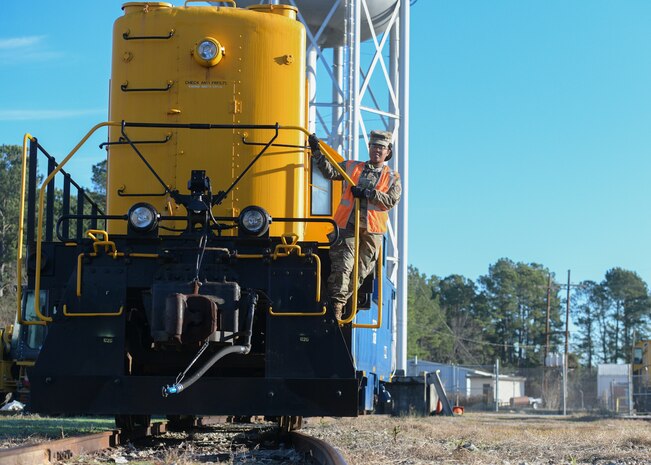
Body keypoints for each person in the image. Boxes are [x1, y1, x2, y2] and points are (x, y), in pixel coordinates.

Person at [309, 130, 402, 320]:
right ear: (369, 148)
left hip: (372, 231)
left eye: (381, 147)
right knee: (343, 266)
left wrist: (368, 193)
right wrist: (317, 151)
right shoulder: (352, 166)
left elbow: (391, 200)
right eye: (374, 146)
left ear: (388, 152)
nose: (377, 150)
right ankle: (336, 307)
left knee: (359, 272)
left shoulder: (393, 177)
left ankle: (340, 303)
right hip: (347, 226)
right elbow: (331, 171)